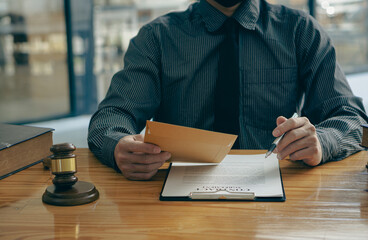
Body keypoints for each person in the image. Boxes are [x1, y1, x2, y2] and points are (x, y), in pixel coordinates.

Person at [88, 0, 368, 180]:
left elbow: (351, 117)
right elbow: (113, 115)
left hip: (278, 185)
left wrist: (321, 141)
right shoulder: (157, 38)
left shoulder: (300, 31)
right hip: (176, 192)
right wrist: (117, 147)